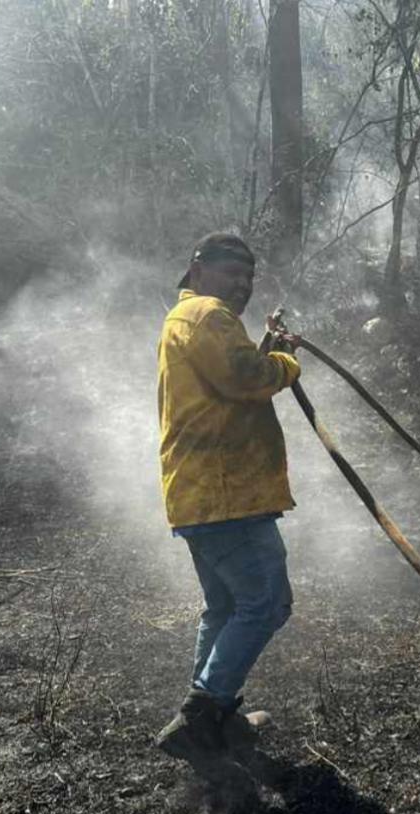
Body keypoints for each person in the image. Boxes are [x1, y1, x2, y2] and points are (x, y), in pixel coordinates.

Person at [154, 232, 303, 763]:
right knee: (266, 603)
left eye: (248, 277)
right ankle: (203, 714)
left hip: (202, 495)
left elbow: (232, 379)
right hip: (226, 495)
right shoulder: (207, 316)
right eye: (230, 272)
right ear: (197, 271)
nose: (241, 284)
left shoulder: (189, 321)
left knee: (225, 605)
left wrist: (269, 353)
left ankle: (215, 718)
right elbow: (247, 377)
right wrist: (286, 362)